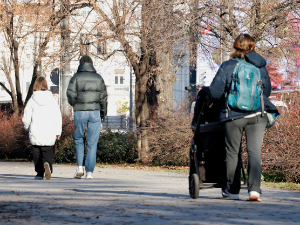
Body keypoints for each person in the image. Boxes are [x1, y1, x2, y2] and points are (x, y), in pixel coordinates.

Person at [209, 34, 279, 202]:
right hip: (256, 115)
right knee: (255, 152)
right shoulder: (260, 66)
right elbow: (267, 92)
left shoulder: (227, 66)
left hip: (232, 115)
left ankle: (233, 191)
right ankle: (254, 190)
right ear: (253, 47)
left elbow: (214, 92)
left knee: (233, 152)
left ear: (235, 46)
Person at [67, 55, 107, 180]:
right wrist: (103, 113)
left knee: (79, 139)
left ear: (80, 64)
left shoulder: (76, 77)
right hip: (95, 111)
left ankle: (80, 168)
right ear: (91, 64)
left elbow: (70, 94)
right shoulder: (98, 78)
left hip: (80, 112)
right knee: (92, 143)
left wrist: (75, 104)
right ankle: (89, 172)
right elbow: (103, 98)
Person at [22, 77, 62, 180]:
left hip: (36, 130)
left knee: (37, 152)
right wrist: (58, 131)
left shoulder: (32, 100)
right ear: (46, 85)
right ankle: (47, 163)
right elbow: (57, 116)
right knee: (47, 150)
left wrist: (27, 128)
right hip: (49, 130)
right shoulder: (52, 100)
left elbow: (26, 117)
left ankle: (39, 173)